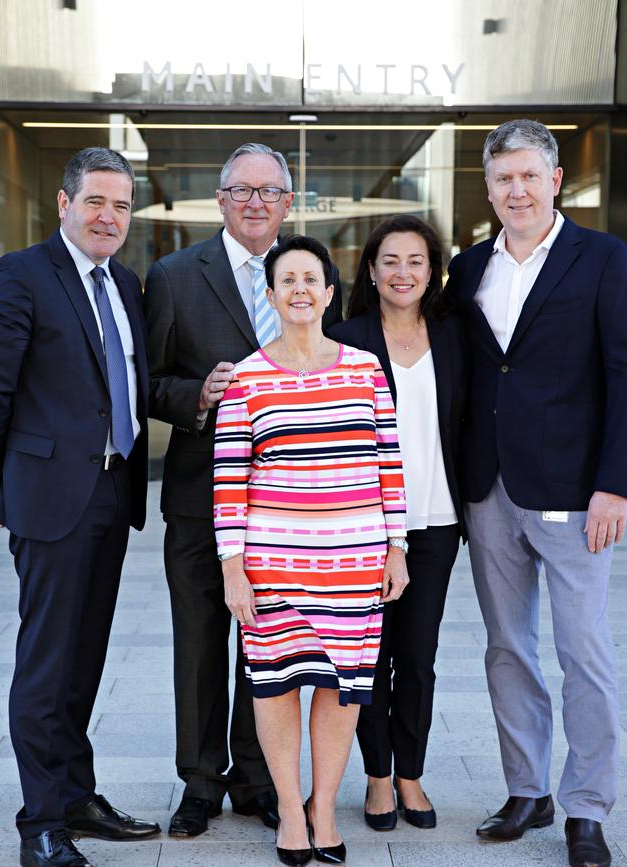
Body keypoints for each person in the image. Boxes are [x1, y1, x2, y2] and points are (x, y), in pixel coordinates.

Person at [143, 143, 342, 838]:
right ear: (221, 200)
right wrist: (198, 393)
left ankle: (258, 778)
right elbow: (148, 382)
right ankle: (199, 782)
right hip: (201, 497)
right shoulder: (171, 275)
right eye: (241, 190)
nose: (256, 202)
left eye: (270, 192)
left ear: (289, 203)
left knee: (273, 646)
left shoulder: (308, 269)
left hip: (290, 510)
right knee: (199, 641)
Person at [447, 119, 627, 867]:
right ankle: (528, 789)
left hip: (576, 492)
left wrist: (616, 483)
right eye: (501, 179)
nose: (514, 189)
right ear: (487, 188)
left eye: (527, 175)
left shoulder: (605, 258)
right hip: (488, 486)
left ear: (555, 180)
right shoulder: (467, 269)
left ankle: (587, 806)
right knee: (506, 647)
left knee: (585, 652)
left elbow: (623, 372)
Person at [0, 147, 159, 867]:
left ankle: (78, 795)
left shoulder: (126, 283)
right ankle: (41, 821)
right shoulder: (21, 275)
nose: (108, 216)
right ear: (64, 203)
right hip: (51, 498)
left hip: (111, 493)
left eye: (120, 205)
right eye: (96, 202)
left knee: (86, 658)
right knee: (47, 662)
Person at [213, 234, 408, 866]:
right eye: (286, 280)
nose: (299, 289)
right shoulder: (246, 376)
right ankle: (291, 812)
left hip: (353, 565)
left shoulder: (364, 369)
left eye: (310, 279)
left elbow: (389, 464)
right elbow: (229, 482)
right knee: (274, 688)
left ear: (328, 293)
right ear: (270, 295)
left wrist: (396, 548)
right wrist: (233, 569)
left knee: (341, 690)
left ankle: (326, 808)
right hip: (272, 567)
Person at [328, 215, 467, 831]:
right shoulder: (346, 338)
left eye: (415, 261)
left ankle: (411, 774)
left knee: (418, 656)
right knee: (367, 658)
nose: (402, 272)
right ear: (372, 270)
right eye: (390, 260)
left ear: (432, 269)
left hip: (436, 521)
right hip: (365, 526)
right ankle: (377, 778)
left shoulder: (456, 334)